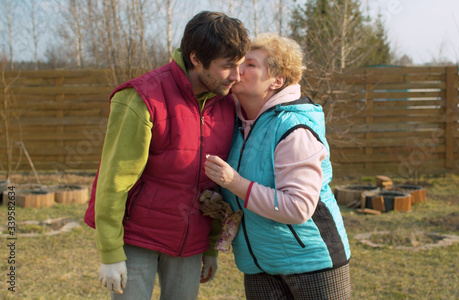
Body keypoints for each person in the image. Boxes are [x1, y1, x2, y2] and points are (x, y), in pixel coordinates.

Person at [84, 11, 250, 300]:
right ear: (197, 58)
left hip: (190, 244)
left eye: (240, 66)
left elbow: (214, 186)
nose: (237, 77)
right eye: (227, 67)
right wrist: (110, 253)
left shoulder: (227, 104)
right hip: (138, 238)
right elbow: (114, 181)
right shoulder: (142, 98)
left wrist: (210, 247)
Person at [204, 33, 351, 299]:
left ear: (277, 80)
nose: (239, 69)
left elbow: (298, 207)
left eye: (250, 64)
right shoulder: (237, 126)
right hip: (258, 266)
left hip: (312, 265)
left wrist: (234, 183)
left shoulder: (293, 127)